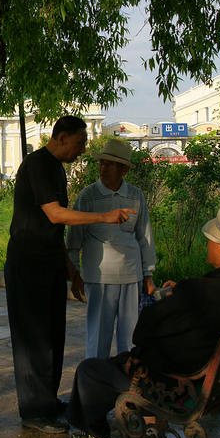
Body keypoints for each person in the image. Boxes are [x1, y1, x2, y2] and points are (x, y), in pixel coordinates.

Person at [65, 193, 220, 438]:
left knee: (91, 370)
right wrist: (181, 302)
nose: (208, 244)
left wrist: (175, 301)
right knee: (148, 360)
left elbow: (142, 333)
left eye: (211, 240)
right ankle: (149, 435)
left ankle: (95, 436)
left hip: (184, 394)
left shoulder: (196, 292)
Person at [4, 115, 137, 434]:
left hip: (49, 261)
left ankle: (48, 402)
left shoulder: (56, 170)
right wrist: (105, 216)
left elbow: (52, 228)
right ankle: (35, 412)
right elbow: (56, 214)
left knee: (53, 337)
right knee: (33, 339)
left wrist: (70, 269)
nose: (81, 151)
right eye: (79, 143)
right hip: (28, 263)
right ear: (61, 137)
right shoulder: (37, 165)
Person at [66, 138, 156, 359]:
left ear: (123, 170)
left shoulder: (135, 196)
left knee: (130, 340)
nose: (103, 168)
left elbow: (144, 236)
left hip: (130, 275)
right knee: (98, 339)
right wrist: (75, 273)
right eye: (102, 163)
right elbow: (74, 239)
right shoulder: (88, 196)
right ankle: (96, 385)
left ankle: (126, 385)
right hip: (99, 277)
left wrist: (148, 275)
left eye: (109, 164)